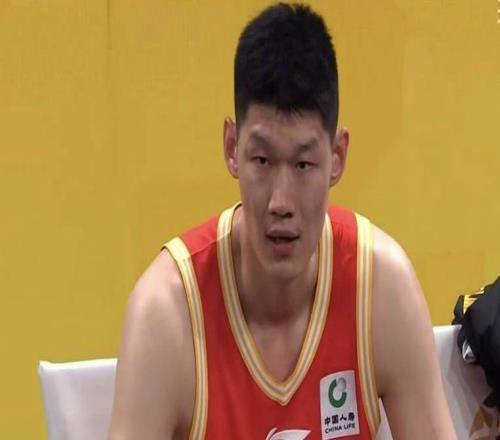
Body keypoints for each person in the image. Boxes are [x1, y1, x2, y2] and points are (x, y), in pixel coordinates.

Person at [108, 3, 457, 439]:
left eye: (303, 165)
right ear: (231, 148)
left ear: (337, 157)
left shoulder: (381, 288)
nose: (281, 202)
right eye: (262, 160)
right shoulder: (166, 313)